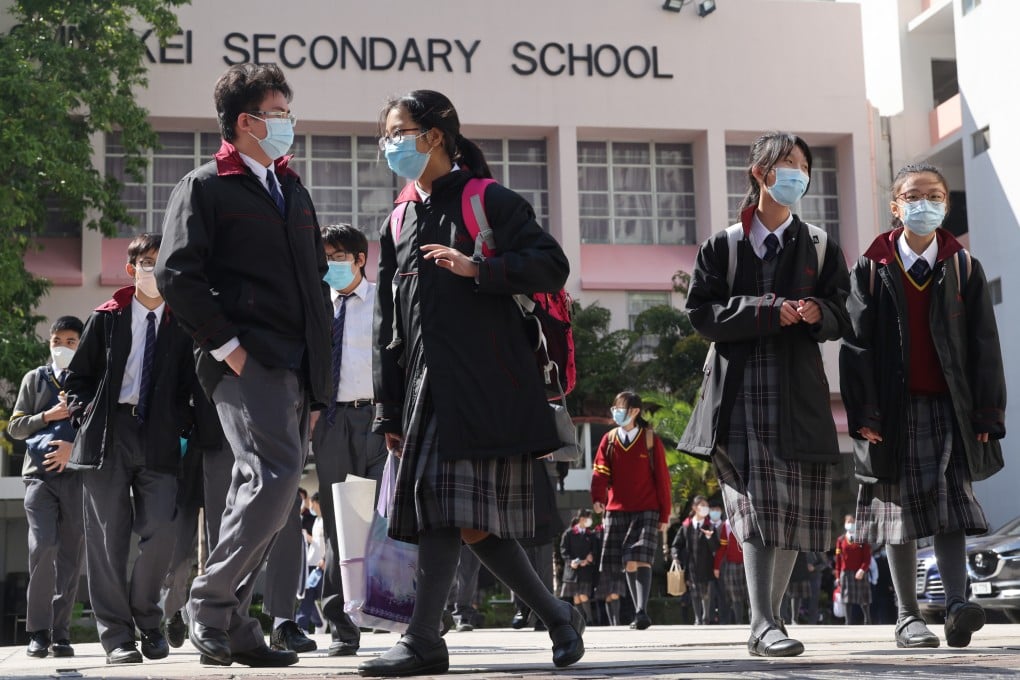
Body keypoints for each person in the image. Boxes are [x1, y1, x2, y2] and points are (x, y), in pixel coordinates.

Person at [361, 89, 582, 677]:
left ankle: (424, 640)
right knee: (466, 519)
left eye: (399, 131)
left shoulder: (489, 200)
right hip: (424, 392)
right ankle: (557, 614)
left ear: (434, 136)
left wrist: (478, 269)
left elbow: (550, 264)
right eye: (386, 134)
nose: (390, 145)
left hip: (488, 387)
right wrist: (388, 409)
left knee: (447, 513)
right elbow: (389, 324)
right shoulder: (398, 218)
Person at [155, 62, 332, 668]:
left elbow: (313, 290)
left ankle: (233, 625)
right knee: (277, 479)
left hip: (296, 365)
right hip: (246, 361)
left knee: (257, 490)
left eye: (287, 111)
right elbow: (176, 274)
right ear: (245, 121)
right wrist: (227, 348)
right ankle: (209, 602)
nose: (287, 122)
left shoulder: (292, 189)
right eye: (278, 112)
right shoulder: (205, 186)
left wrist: (321, 385)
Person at [679, 132, 851, 657]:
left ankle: (766, 621)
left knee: (791, 509)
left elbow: (845, 311)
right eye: (786, 164)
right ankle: (763, 621)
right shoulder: (724, 245)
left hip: (798, 391)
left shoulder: (821, 245)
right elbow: (700, 314)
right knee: (757, 504)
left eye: (803, 165)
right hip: (739, 390)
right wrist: (763, 310)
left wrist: (822, 314)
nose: (796, 173)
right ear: (759, 173)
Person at [840, 162, 1005, 649]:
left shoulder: (962, 266)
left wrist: (987, 414)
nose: (924, 203)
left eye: (934, 196)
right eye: (914, 195)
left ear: (946, 205)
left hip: (950, 406)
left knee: (952, 506)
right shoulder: (871, 267)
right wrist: (864, 414)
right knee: (899, 514)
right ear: (896, 206)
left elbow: (984, 344)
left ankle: (957, 605)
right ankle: (908, 617)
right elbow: (856, 345)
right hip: (891, 411)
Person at [64, 233, 195, 665]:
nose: (152, 271)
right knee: (107, 540)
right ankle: (117, 637)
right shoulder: (107, 317)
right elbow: (78, 378)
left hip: (159, 436)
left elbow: (189, 386)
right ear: (130, 269)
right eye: (146, 262)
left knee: (162, 530)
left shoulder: (183, 322)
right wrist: (85, 414)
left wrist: (182, 421)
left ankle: (148, 619)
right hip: (109, 433)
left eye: (161, 263)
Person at [312, 222, 388, 657]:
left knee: (382, 517)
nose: (331, 267)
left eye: (338, 258)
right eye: (326, 260)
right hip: (332, 421)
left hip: (377, 418)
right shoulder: (317, 305)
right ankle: (341, 624)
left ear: (360, 259)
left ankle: (393, 607)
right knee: (339, 525)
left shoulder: (384, 302)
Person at [7, 316, 86, 659]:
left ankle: (61, 632)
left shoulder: (90, 379)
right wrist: (48, 417)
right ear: (49, 342)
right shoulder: (34, 379)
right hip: (39, 477)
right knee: (43, 547)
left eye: (71, 341)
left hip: (76, 477)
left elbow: (99, 428)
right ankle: (38, 632)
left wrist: (73, 451)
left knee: (70, 556)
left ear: (80, 345)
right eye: (58, 340)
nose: (64, 347)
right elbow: (15, 427)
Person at [591, 392, 672, 630]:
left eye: (621, 408)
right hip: (617, 509)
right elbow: (600, 472)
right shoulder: (609, 439)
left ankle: (641, 611)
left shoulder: (649, 439)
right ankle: (638, 610)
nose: (616, 412)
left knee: (642, 558)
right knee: (628, 562)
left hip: (647, 508)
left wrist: (665, 514)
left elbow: (662, 479)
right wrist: (597, 498)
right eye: (614, 407)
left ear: (635, 411)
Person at [672, 496, 720, 625]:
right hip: (691, 565)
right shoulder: (686, 525)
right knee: (694, 591)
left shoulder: (709, 525)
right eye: (702, 505)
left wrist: (710, 538)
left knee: (706, 592)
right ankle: (698, 618)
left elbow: (716, 547)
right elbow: (676, 544)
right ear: (694, 507)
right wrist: (675, 556)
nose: (705, 508)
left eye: (706, 506)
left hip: (706, 564)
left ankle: (706, 617)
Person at [560, 510, 597, 625]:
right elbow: (563, 551)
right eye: (588, 518)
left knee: (583, 595)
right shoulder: (568, 533)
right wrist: (571, 561)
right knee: (576, 597)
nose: (590, 521)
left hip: (586, 570)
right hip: (573, 570)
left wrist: (590, 557)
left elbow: (595, 550)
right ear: (582, 518)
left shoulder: (590, 535)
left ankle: (590, 620)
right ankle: (581, 622)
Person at [295, 492, 326, 634]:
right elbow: (317, 542)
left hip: (321, 564)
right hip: (312, 563)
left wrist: (325, 558)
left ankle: (306, 625)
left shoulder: (325, 520)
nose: (311, 506)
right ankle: (309, 625)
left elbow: (327, 543)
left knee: (312, 595)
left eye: (312, 503)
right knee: (308, 595)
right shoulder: (318, 520)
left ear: (317, 503)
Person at [833, 515, 872, 625]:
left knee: (864, 597)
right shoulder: (840, 540)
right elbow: (838, 560)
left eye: (852, 522)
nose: (850, 524)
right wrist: (837, 575)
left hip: (860, 572)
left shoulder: (862, 539)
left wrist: (863, 569)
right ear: (845, 524)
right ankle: (848, 622)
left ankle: (867, 620)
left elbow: (867, 558)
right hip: (846, 573)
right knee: (847, 598)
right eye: (848, 522)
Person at [713, 517, 749, 625]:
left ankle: (755, 624)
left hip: (750, 563)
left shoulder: (750, 521)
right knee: (735, 596)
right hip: (732, 565)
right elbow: (723, 547)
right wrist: (717, 566)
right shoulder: (727, 524)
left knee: (752, 597)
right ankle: (739, 622)